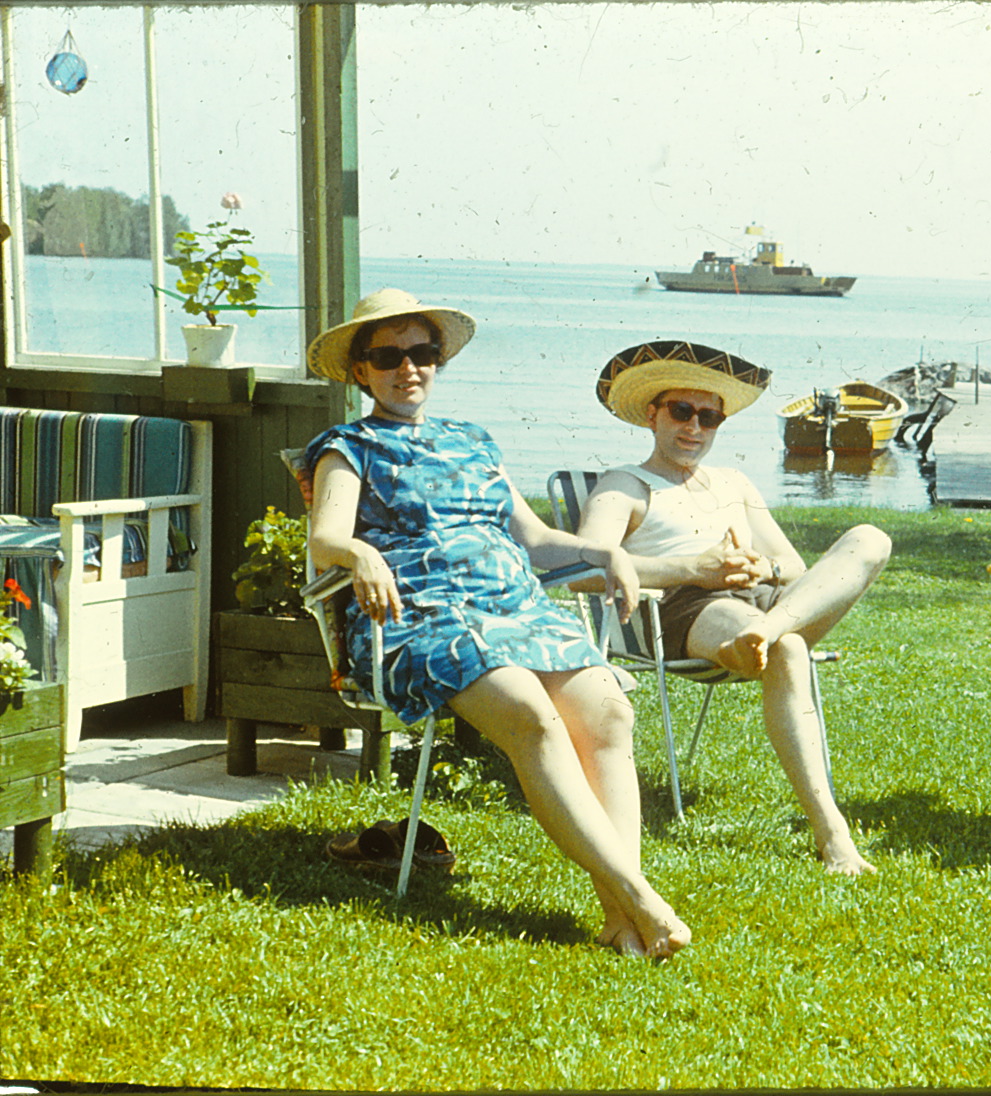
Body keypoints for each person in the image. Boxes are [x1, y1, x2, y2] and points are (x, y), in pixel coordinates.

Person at [303, 288, 690, 959]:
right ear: (361, 371)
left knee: (608, 713)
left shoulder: (473, 442)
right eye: (388, 356)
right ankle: (641, 898)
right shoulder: (349, 447)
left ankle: (618, 911)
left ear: (438, 360)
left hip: (514, 608)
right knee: (529, 715)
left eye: (423, 353)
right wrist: (361, 553)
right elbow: (325, 538)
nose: (408, 368)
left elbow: (535, 539)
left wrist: (604, 552)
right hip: (419, 618)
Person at [577, 341, 891, 876]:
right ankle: (831, 831)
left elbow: (791, 566)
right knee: (789, 649)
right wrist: (694, 568)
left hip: (763, 603)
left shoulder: (733, 483)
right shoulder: (625, 485)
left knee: (870, 538)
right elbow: (584, 565)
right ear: (652, 414)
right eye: (682, 411)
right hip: (685, 608)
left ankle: (767, 632)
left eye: (709, 417)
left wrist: (760, 567)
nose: (694, 427)